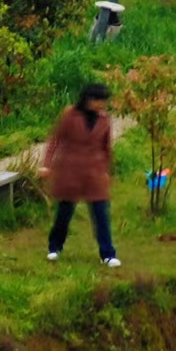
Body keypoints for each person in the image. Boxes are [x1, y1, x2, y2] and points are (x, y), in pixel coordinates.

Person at [40, 83, 120, 267]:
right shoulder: (70, 115)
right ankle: (55, 247)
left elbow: (106, 147)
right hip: (71, 171)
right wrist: (47, 164)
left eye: (103, 101)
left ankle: (107, 253)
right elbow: (55, 139)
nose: (101, 104)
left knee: (101, 214)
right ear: (88, 99)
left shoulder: (104, 119)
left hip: (95, 173)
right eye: (98, 100)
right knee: (64, 213)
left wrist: (107, 171)